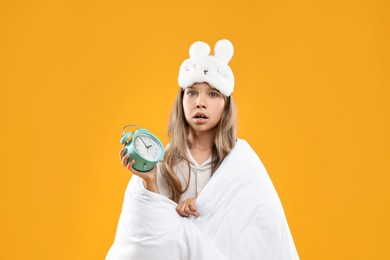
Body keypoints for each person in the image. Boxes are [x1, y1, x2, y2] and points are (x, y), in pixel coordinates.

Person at [106, 39, 300, 260]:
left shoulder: (241, 163)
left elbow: (259, 229)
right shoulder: (162, 161)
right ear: (181, 100)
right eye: (192, 92)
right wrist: (149, 182)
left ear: (225, 104)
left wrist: (204, 209)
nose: (200, 102)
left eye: (213, 94)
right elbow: (147, 242)